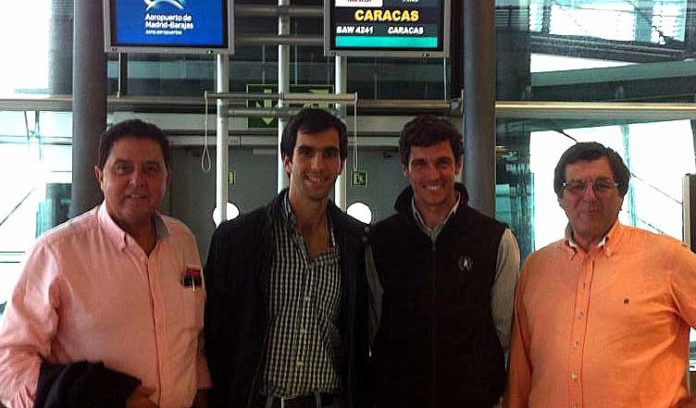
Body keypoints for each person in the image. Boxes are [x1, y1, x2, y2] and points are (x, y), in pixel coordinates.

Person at [0, 119, 210, 408]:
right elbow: (9, 362)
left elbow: (191, 339)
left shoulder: (183, 240)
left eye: (151, 169)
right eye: (123, 168)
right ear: (100, 176)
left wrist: (200, 394)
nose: (137, 180)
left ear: (167, 178)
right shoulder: (56, 252)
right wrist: (99, 397)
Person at [504, 142, 696, 408]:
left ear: (621, 195)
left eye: (602, 185)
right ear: (560, 198)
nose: (590, 196)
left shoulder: (668, 258)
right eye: (576, 187)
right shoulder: (536, 269)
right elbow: (520, 373)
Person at [204, 108, 370, 408]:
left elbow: (357, 338)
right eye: (306, 152)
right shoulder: (238, 239)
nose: (318, 164)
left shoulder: (357, 242)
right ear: (287, 161)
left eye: (329, 153)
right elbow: (214, 335)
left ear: (341, 165)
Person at [368, 115, 520, 407]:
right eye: (420, 164)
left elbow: (507, 336)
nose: (432, 175)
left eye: (442, 162)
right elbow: (372, 329)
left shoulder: (495, 239)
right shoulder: (381, 241)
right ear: (405, 169)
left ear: (459, 165)